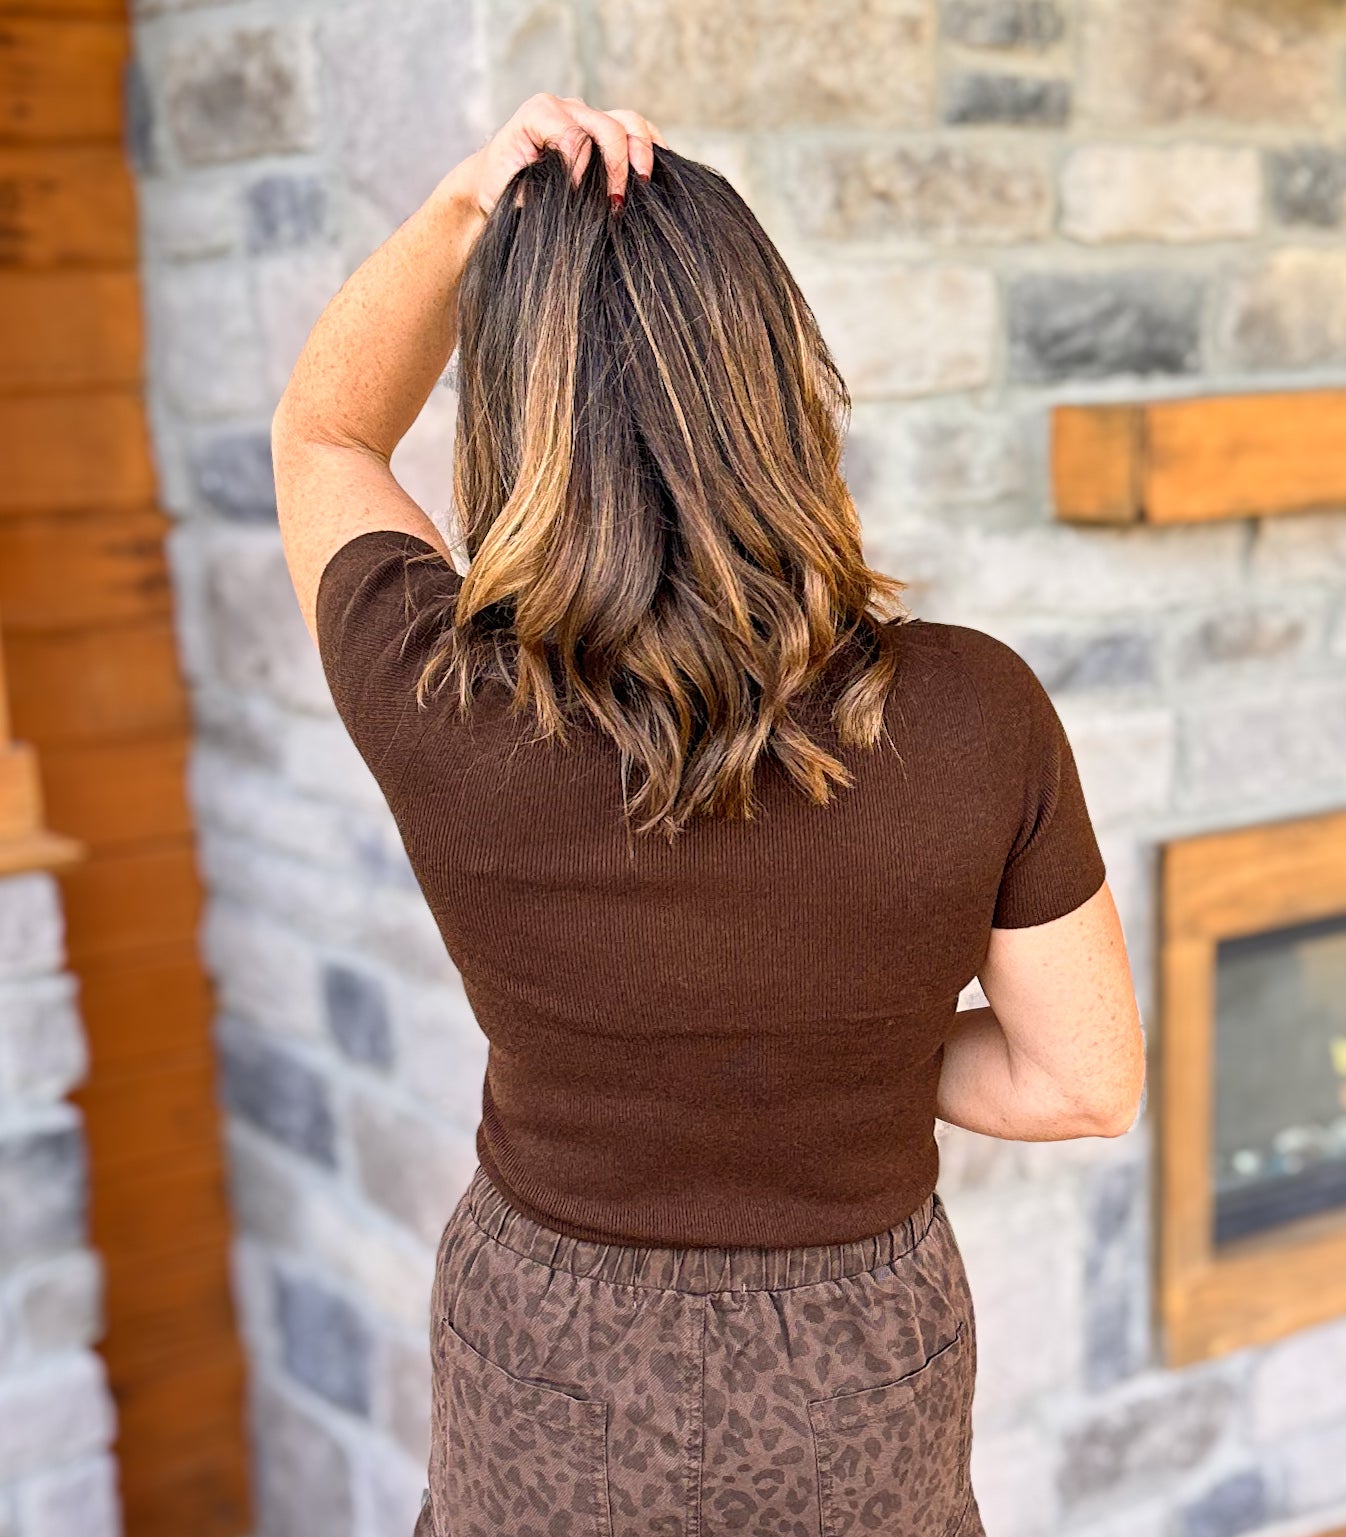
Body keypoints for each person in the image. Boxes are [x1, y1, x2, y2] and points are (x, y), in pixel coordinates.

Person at [272, 93, 1146, 1537]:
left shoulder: (439, 692)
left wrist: (464, 208)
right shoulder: (976, 711)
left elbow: (326, 435)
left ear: (517, 415)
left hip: (545, 1351)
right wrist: (837, 1048)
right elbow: (1082, 1083)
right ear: (777, 382)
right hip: (857, 1367)